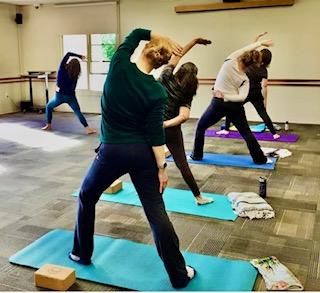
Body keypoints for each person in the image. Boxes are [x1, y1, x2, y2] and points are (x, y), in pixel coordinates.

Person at [69, 28, 196, 288]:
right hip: (142, 155)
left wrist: (164, 36)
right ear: (161, 59)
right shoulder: (156, 91)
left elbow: (136, 33)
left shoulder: (118, 66)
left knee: (87, 196)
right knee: (156, 213)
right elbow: (155, 134)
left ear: (145, 48)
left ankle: (81, 253)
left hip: (111, 152)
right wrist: (162, 168)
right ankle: (179, 275)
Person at [190, 38, 274, 164]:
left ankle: (196, 155)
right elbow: (241, 97)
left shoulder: (230, 60)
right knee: (246, 132)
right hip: (235, 106)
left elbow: (245, 49)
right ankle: (260, 159)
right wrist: (227, 97)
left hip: (218, 103)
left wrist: (260, 43)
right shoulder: (245, 78)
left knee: (201, 126)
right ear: (251, 65)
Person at [159, 37, 214, 205]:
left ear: (179, 70)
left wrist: (194, 41)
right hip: (170, 130)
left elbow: (179, 53)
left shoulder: (166, 74)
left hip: (151, 125)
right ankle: (199, 197)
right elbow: (184, 116)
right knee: (182, 164)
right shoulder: (186, 92)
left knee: (142, 160)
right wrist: (166, 124)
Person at [217, 33, 280, 140]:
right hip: (256, 93)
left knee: (230, 108)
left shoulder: (250, 64)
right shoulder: (264, 70)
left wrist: (257, 40)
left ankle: (226, 129)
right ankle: (274, 134)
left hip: (244, 92)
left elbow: (250, 50)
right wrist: (265, 101)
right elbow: (264, 86)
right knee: (262, 113)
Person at [42, 52, 96, 134]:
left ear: (69, 63)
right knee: (78, 112)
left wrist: (79, 56)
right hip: (71, 97)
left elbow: (68, 54)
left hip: (59, 96)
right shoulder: (75, 74)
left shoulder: (62, 68)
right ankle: (87, 128)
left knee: (48, 107)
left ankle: (48, 125)